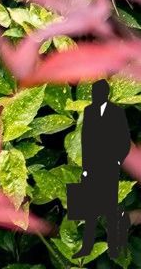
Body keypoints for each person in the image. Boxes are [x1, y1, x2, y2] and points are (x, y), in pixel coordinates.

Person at [70, 79, 133, 257]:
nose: (94, 96)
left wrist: (117, 161)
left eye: (97, 93)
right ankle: (87, 247)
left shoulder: (116, 112)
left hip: (109, 167)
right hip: (92, 168)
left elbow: (124, 140)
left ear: (105, 94)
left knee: (111, 209)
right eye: (93, 93)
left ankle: (113, 248)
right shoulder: (89, 111)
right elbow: (85, 141)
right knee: (89, 210)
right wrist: (85, 167)